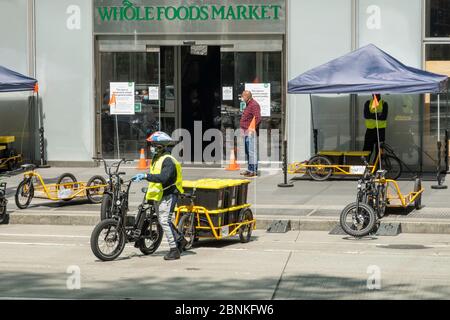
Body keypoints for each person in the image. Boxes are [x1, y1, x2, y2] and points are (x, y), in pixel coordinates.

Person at [132, 131, 187, 261]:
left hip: (169, 194)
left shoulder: (168, 161)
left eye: (153, 145)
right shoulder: (158, 159)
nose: (150, 147)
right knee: (164, 220)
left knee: (164, 220)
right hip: (159, 194)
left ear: (160, 146)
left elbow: (163, 178)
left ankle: (174, 250)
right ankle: (180, 240)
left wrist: (145, 176)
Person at [240, 90, 261, 177]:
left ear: (247, 96)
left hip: (250, 132)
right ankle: (249, 169)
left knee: (252, 152)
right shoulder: (249, 104)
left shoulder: (254, 104)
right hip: (246, 132)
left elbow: (258, 118)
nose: (242, 98)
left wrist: (251, 129)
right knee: (248, 152)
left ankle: (253, 170)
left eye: (243, 96)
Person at [363, 93, 389, 162]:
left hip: (380, 130)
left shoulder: (384, 103)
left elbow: (383, 117)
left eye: (377, 94)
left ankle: (376, 168)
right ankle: (365, 167)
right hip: (370, 130)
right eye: (374, 94)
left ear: (380, 94)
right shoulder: (368, 103)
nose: (375, 95)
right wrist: (378, 115)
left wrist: (372, 115)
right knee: (367, 150)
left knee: (379, 151)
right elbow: (366, 115)